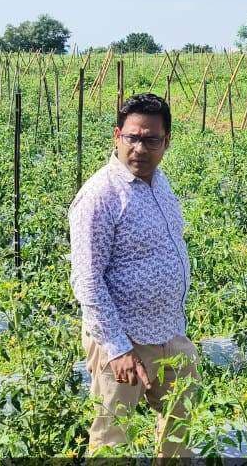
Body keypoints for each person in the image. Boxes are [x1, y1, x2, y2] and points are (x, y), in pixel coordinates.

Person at [68, 92, 197, 457]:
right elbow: (87, 281)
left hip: (169, 334)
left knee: (180, 426)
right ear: (117, 136)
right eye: (132, 138)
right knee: (112, 440)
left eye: (151, 139)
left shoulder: (161, 184)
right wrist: (117, 348)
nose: (140, 148)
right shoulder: (100, 196)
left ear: (166, 141)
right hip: (124, 341)